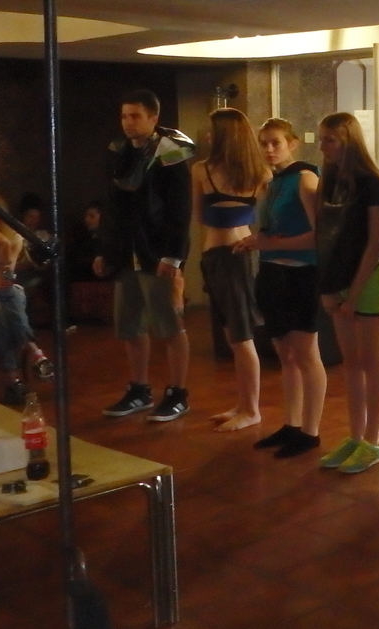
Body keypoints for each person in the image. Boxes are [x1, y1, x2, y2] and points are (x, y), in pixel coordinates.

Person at [98, 89, 197, 423]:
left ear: (153, 118)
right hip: (126, 253)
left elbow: (180, 209)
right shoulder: (120, 152)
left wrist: (173, 256)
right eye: (124, 116)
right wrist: (106, 249)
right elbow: (111, 206)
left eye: (136, 116)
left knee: (169, 325)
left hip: (156, 252)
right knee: (130, 326)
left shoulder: (170, 154)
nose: (128, 122)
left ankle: (178, 392)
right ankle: (139, 389)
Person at [234, 119, 326, 458]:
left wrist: (269, 243)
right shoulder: (272, 182)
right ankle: (292, 423)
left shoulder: (305, 178)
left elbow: (318, 236)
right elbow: (271, 231)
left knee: (306, 354)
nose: (269, 149)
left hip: (301, 274)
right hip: (272, 272)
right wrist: (258, 242)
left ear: (292, 143)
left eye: (276, 142)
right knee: (285, 355)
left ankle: (310, 431)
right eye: (264, 143)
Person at [315, 112, 379, 475]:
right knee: (350, 363)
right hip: (340, 279)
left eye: (330, 139)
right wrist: (329, 287)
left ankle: (373, 441)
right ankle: (355, 435)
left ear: (348, 141)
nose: (323, 147)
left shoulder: (373, 183)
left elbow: (377, 243)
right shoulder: (330, 182)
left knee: (369, 359)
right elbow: (325, 239)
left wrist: (353, 294)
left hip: (369, 278)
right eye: (322, 139)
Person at [193, 108, 270, 432]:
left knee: (241, 335)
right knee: (231, 334)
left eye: (213, 131)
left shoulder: (258, 173)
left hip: (234, 257)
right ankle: (243, 403)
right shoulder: (205, 169)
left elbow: (200, 216)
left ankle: (251, 409)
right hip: (216, 257)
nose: (208, 136)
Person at [0, 191, 51, 405]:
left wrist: (4, 246)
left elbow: (7, 278)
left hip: (0, 298)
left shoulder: (13, 237)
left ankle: (12, 381)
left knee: (1, 306)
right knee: (12, 294)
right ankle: (33, 350)